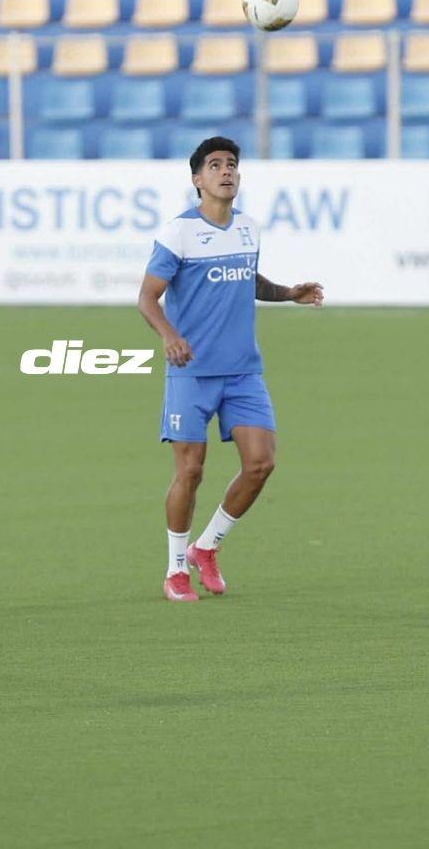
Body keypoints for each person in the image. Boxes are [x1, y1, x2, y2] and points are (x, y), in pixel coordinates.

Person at [137, 137, 324, 602]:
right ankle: (175, 569)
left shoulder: (248, 229)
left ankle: (207, 547)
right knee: (191, 471)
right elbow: (147, 297)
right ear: (197, 179)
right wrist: (169, 336)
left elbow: (249, 278)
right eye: (215, 165)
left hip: (243, 372)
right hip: (192, 372)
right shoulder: (178, 233)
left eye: (232, 165)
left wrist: (289, 294)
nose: (226, 172)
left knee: (261, 464)